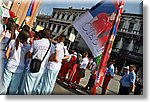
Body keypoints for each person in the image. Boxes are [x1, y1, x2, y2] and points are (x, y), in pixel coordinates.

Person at [19, 29, 55, 95]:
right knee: (34, 89)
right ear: (49, 35)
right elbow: (51, 59)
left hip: (32, 67)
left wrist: (35, 55)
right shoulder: (52, 46)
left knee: (27, 88)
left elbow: (29, 55)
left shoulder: (36, 42)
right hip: (42, 70)